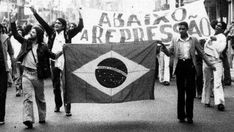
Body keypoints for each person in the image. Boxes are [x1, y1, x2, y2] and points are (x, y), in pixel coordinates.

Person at [29, 6, 84, 116]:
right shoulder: (51, 33)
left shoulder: (68, 34)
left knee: (66, 85)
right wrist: (35, 13)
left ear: (63, 26)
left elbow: (80, 27)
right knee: (55, 85)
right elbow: (43, 23)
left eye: (59, 23)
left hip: (65, 61)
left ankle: (67, 107)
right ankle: (57, 104)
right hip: (54, 60)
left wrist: (80, 14)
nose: (56, 24)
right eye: (55, 23)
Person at [157, 21, 215, 124]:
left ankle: (189, 116)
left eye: (183, 28)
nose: (181, 31)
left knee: (190, 92)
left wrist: (210, 64)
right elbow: (169, 52)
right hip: (179, 66)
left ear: (187, 29)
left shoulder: (193, 40)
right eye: (180, 29)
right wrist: (163, 49)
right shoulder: (175, 39)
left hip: (190, 66)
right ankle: (181, 116)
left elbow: (202, 53)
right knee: (180, 91)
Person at [10, 12, 61, 128]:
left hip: (38, 75)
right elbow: (16, 35)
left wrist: (62, 51)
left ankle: (42, 117)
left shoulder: (43, 46)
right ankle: (28, 119)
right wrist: (12, 21)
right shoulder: (26, 42)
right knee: (27, 98)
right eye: (30, 32)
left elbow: (52, 56)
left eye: (33, 32)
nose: (30, 33)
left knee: (40, 98)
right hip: (26, 74)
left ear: (38, 35)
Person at [201, 21, 227, 111]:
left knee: (217, 82)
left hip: (216, 61)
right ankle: (206, 100)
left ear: (223, 29)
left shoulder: (222, 37)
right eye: (217, 25)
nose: (217, 26)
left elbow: (220, 49)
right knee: (206, 81)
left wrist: (214, 41)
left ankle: (219, 102)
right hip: (207, 60)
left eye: (220, 26)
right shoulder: (211, 34)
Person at [0, 23, 14, 125]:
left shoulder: (5, 38)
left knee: (2, 93)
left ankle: (1, 117)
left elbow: (11, 52)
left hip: (2, 69)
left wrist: (14, 70)